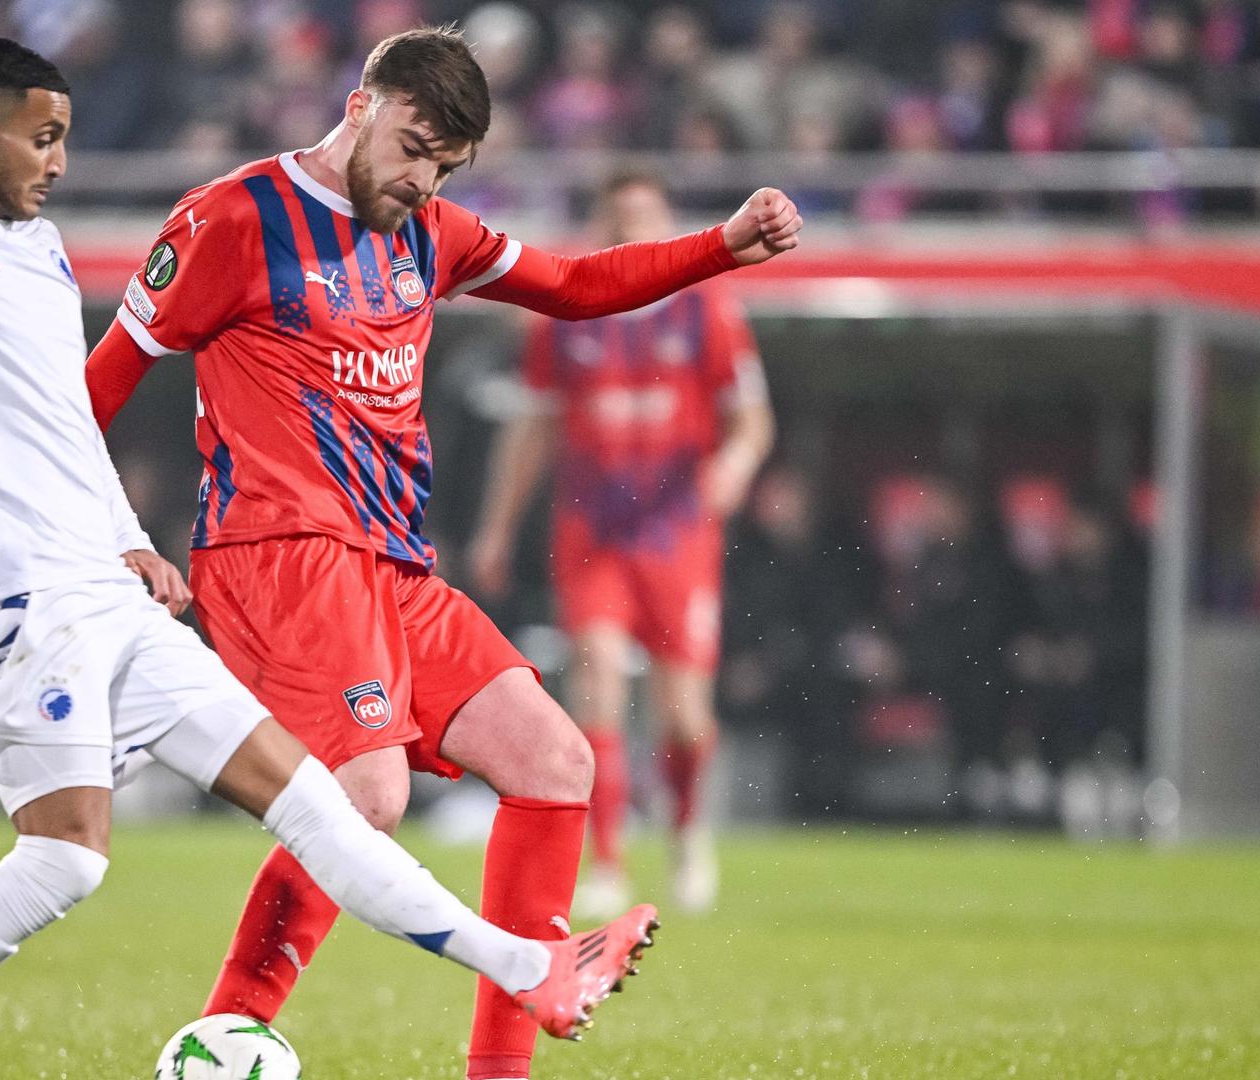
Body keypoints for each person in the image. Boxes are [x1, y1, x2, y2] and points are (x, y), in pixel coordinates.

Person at [0, 36, 655, 1080]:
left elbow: (66, 426)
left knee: (329, 805)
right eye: (43, 139)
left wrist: (133, 542)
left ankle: (531, 971)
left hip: (108, 596)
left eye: (65, 140)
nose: (58, 162)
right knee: (64, 862)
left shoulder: (39, 251)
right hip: (16, 605)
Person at [84, 27, 800, 1080]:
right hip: (278, 552)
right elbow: (93, 387)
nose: (422, 181)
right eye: (414, 148)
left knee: (557, 764)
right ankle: (230, 1027)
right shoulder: (231, 219)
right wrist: (115, 539)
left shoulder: (433, 231)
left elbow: (572, 284)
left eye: (446, 166)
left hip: (393, 564)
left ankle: (497, 1073)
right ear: (362, 103)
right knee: (367, 797)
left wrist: (720, 245)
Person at [468, 174, 776, 919]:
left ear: (668, 223)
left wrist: (734, 467)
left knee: (684, 715)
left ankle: (685, 828)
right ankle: (606, 859)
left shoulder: (709, 308)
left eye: (645, 217)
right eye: (618, 219)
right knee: (598, 680)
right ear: (600, 227)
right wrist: (498, 525)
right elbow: (534, 428)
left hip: (677, 531)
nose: (631, 231)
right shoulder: (563, 314)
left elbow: (753, 418)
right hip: (592, 529)